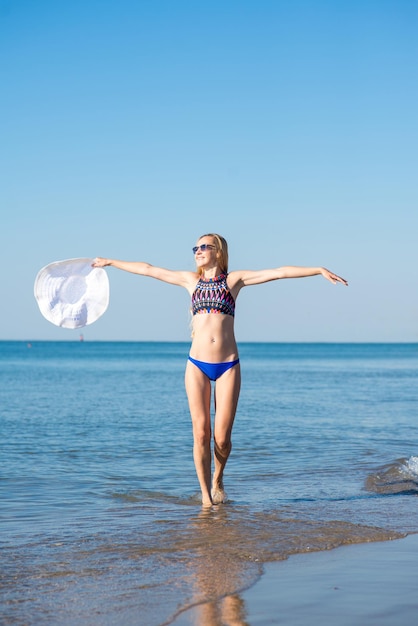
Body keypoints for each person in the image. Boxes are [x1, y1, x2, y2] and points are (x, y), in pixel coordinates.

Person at [93, 233, 347, 506]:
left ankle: (218, 478)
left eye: (205, 247)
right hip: (196, 366)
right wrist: (109, 262)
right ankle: (205, 497)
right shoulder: (191, 281)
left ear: (219, 252)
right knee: (200, 433)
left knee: (222, 439)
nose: (198, 251)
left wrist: (318, 270)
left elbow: (279, 272)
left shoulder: (233, 281)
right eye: (196, 247)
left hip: (228, 365)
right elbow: (148, 269)